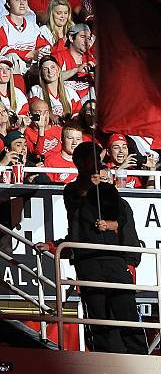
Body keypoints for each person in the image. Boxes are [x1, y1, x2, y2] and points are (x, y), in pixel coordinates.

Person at [36, 142, 147, 354]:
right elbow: (77, 212)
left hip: (113, 259)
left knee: (126, 312)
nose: (95, 164)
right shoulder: (71, 191)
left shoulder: (108, 189)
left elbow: (120, 218)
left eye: (97, 159)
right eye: (90, 159)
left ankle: (139, 355)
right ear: (79, 163)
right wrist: (54, 246)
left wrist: (129, 259)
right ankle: (105, 357)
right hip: (88, 261)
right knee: (97, 317)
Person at [0, 0, 48, 74]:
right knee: (12, 57)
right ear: (8, 4)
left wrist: (42, 52)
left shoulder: (32, 24)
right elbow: (3, 49)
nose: (22, 3)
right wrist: (29, 54)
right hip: (10, 68)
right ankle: (18, 88)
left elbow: (43, 44)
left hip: (32, 65)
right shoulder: (2, 23)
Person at [28, 55, 82, 121]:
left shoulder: (70, 91)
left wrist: (72, 118)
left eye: (52, 67)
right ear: (41, 73)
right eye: (45, 69)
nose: (50, 71)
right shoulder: (36, 90)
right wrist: (50, 116)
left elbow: (77, 112)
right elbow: (34, 111)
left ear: (59, 70)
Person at [53, 23, 96, 100]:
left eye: (89, 38)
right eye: (82, 37)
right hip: (66, 100)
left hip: (89, 102)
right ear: (71, 38)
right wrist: (76, 70)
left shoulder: (91, 59)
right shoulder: (58, 57)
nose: (86, 41)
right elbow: (52, 78)